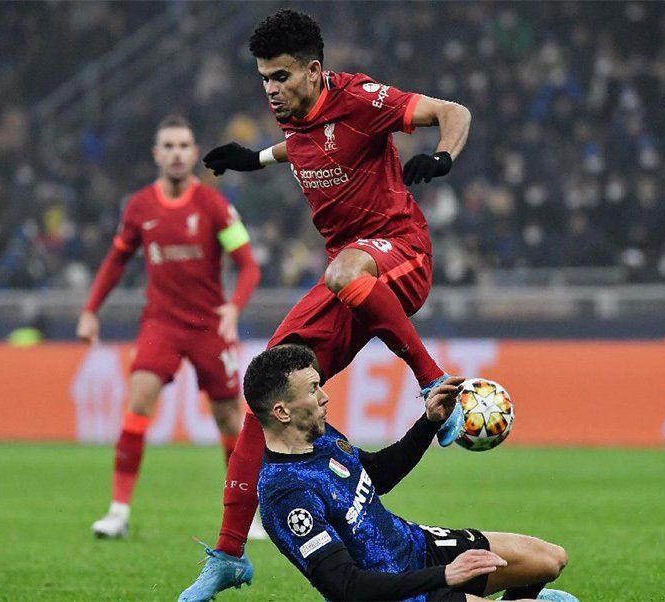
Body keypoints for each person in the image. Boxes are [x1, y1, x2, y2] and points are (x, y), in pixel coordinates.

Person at [181, 9, 473, 598]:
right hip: (349, 277)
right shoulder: (295, 117)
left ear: (314, 72)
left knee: (345, 268)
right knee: (266, 390)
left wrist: (443, 155)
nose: (270, 89)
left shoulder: (360, 97)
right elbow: (308, 146)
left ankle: (430, 379)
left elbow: (453, 112)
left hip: (400, 255)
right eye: (263, 78)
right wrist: (255, 160)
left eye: (281, 77)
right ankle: (230, 555)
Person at [193, 344, 579, 602]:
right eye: (313, 390)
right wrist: (445, 577)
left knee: (550, 560)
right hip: (397, 595)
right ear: (281, 412)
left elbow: (375, 476)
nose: (325, 396)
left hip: (417, 547)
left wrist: (427, 423)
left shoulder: (322, 437)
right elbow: (347, 588)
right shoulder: (286, 496)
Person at [77, 115, 261, 538]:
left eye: (184, 146)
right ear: (157, 154)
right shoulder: (140, 206)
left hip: (208, 325)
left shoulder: (213, 206)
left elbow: (248, 266)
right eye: (169, 146)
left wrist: (233, 308)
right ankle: (118, 512)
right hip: (160, 322)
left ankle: (243, 518)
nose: (177, 153)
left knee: (229, 420)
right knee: (138, 401)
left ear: (194, 154)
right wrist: (90, 310)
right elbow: (115, 261)